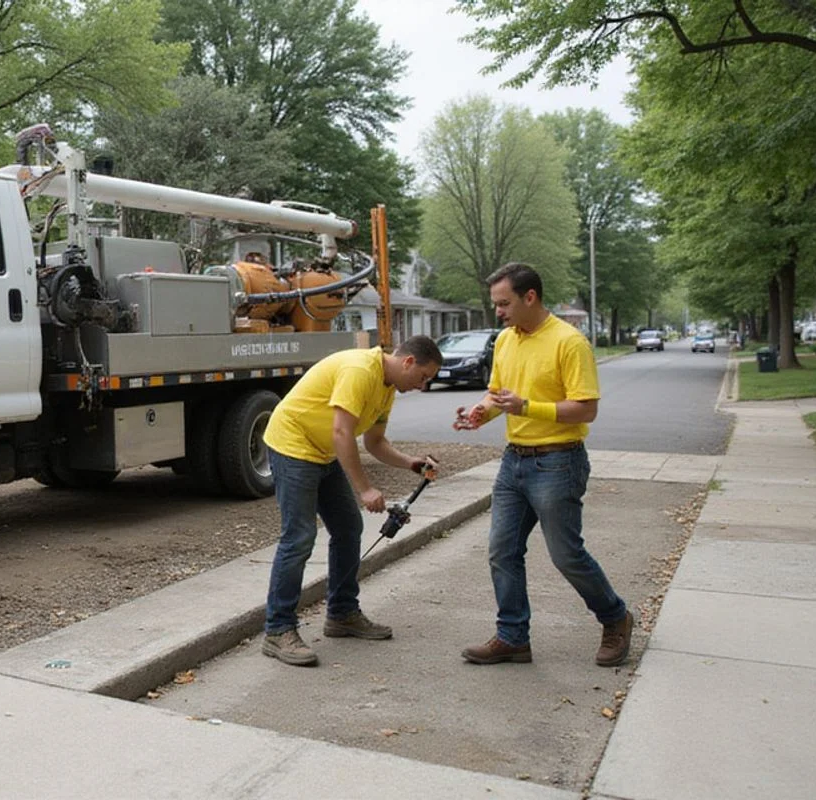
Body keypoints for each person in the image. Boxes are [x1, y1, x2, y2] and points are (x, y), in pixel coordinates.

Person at [453, 263, 633, 667]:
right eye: (496, 304)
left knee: (566, 555)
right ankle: (512, 637)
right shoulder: (505, 340)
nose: (498, 311)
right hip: (513, 461)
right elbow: (498, 395)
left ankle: (616, 618)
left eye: (504, 303)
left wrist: (528, 407)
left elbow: (586, 410)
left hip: (558, 462)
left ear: (529, 297)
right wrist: (480, 414)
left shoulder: (569, 343)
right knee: (502, 550)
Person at [260, 337, 443, 667]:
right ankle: (278, 629)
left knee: (348, 527)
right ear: (409, 363)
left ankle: (342, 614)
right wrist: (365, 489)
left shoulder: (387, 387)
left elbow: (374, 442)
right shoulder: (361, 370)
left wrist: (411, 462)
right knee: (299, 537)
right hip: (292, 445)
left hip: (323, 451)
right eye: (424, 377)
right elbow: (342, 433)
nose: (422, 386)